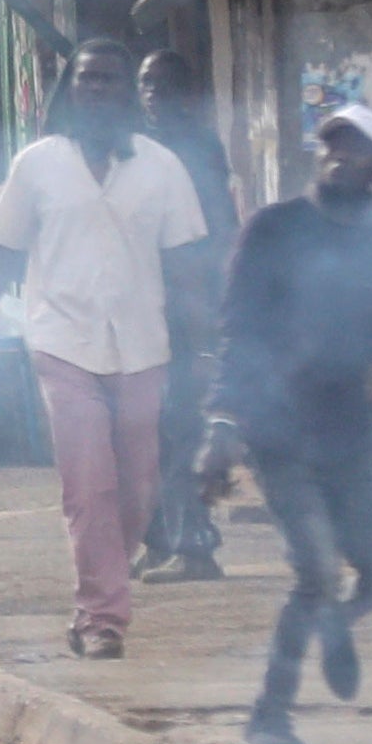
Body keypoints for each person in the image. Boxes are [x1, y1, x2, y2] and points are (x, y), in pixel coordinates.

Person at [0, 36, 210, 659]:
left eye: (110, 80)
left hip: (144, 345)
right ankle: (100, 619)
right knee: (89, 487)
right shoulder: (37, 164)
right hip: (62, 344)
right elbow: (0, 253)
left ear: (126, 95)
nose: (97, 91)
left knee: (138, 489)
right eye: (87, 81)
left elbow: (188, 266)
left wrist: (209, 348)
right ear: (71, 91)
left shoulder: (161, 167)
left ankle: (105, 583)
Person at [199, 104, 372, 744]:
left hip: (347, 429)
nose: (338, 156)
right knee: (318, 572)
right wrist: (221, 423)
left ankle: (336, 627)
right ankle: (271, 714)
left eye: (354, 147)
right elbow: (237, 329)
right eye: (330, 145)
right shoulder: (273, 228)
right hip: (278, 427)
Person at [131, 47, 241, 582]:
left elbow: (217, 229)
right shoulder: (134, 148)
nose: (154, 94)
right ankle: (159, 537)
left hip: (185, 304)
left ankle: (194, 544)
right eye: (146, 85)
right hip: (141, 305)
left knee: (177, 425)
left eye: (164, 84)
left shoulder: (197, 148)